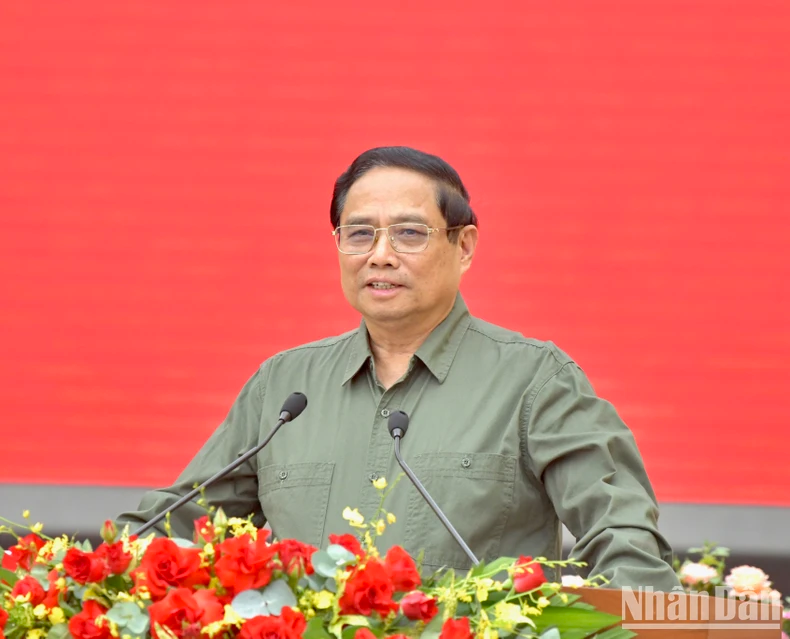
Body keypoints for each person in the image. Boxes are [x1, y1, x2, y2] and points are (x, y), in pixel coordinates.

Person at [118, 146, 681, 590]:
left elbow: (622, 535)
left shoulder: (535, 381)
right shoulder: (284, 388)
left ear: (464, 246)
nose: (380, 255)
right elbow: (175, 527)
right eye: (360, 233)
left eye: (410, 233)